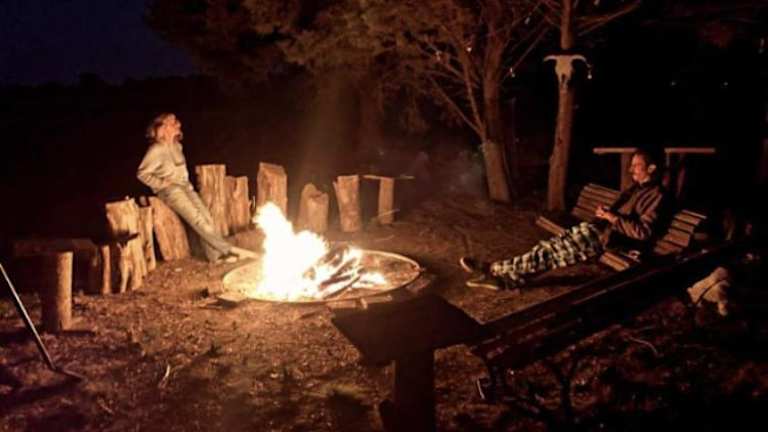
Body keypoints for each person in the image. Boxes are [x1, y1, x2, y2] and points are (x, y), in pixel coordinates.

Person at [460, 149, 671, 290]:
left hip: (603, 239)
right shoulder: (637, 188)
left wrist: (612, 217)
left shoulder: (657, 195)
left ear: (651, 168)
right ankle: (506, 282)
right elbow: (623, 215)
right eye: (631, 165)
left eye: (636, 165)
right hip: (595, 229)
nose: (631, 169)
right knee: (548, 250)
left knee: (548, 254)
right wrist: (606, 213)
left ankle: (491, 269)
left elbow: (643, 232)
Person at [137, 113, 257, 264]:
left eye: (176, 121)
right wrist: (162, 183)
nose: (178, 124)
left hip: (186, 187)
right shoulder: (156, 149)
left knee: (206, 217)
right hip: (171, 191)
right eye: (173, 122)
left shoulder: (177, 146)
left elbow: (181, 170)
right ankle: (228, 249)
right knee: (198, 220)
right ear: (163, 127)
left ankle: (214, 256)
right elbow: (142, 173)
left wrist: (187, 183)